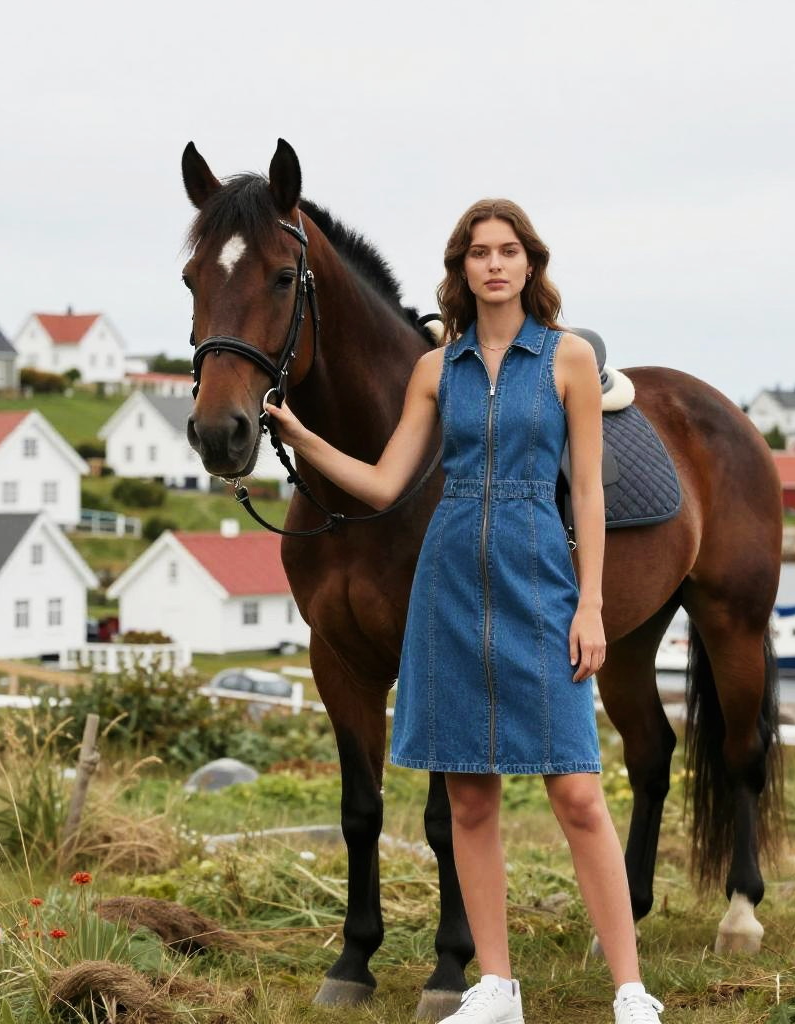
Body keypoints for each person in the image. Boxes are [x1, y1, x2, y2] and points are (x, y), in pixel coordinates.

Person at [264, 199, 663, 1024]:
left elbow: (585, 490)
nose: (494, 265)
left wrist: (589, 604)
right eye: (479, 252)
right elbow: (381, 481)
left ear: (530, 265)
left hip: (539, 579)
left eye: (508, 251)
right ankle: (495, 988)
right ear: (462, 269)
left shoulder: (568, 360)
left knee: (578, 794)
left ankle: (630, 990)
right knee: (469, 798)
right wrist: (301, 436)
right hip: (446, 588)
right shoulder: (432, 371)